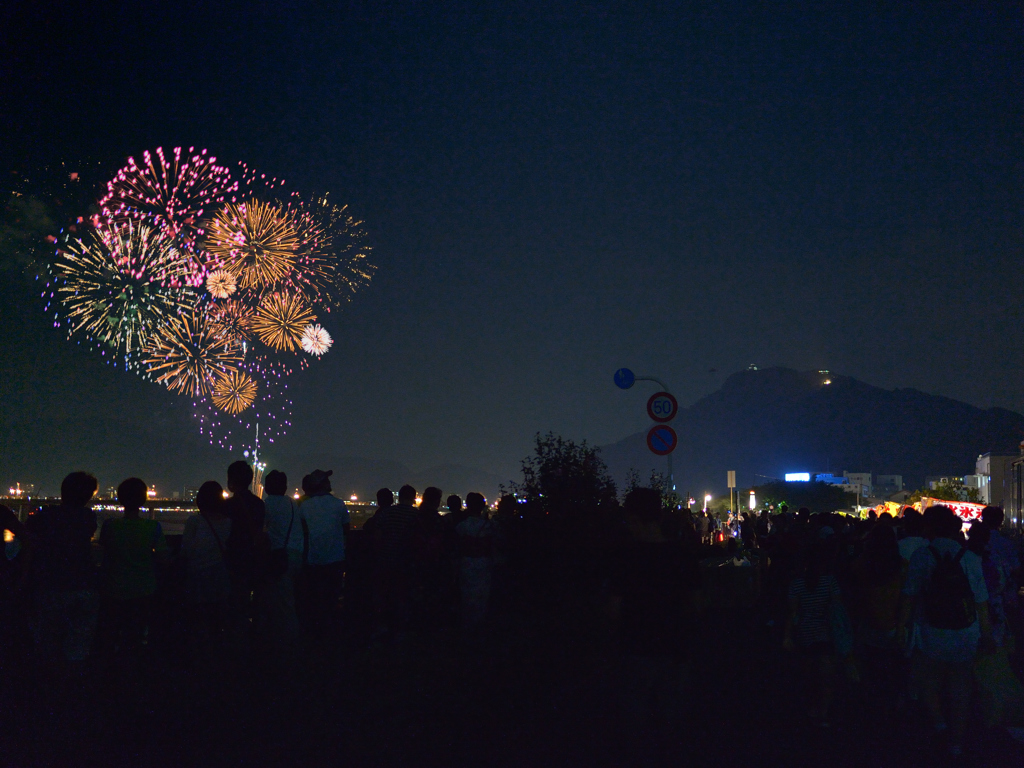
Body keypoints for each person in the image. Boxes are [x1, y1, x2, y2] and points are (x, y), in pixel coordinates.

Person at [898, 505, 993, 756]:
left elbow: (909, 595)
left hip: (930, 630)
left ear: (928, 527)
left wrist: (901, 629)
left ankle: (939, 722)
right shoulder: (970, 557)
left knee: (928, 680)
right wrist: (986, 635)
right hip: (965, 631)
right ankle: (957, 742)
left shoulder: (922, 556)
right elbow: (981, 602)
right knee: (960, 687)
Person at [615, 487, 701, 763]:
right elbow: (697, 603)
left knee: (635, 721)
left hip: (635, 648)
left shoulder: (625, 557)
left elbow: (613, 608)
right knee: (672, 721)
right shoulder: (682, 555)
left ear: (634, 518)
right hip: (675, 647)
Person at [26, 471, 100, 664]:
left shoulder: (45, 516)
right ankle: (74, 680)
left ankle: (46, 680)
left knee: (48, 638)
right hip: (83, 583)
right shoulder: (87, 517)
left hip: (49, 583)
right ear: (87, 496)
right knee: (79, 640)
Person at [99, 477, 169, 655]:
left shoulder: (109, 526)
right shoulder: (153, 527)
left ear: (120, 499)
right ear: (144, 499)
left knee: (112, 633)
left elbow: (103, 553)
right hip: (143, 590)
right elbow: (163, 558)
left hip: (113, 589)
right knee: (136, 635)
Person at [784, 540, 841, 727]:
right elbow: (837, 609)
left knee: (808, 675)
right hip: (826, 631)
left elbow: (793, 613)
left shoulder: (797, 584)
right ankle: (824, 712)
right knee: (826, 677)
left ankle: (811, 709)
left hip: (804, 632)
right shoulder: (829, 581)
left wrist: (788, 635)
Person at [179, 482, 233, 651]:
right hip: (220, 578)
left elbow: (185, 552)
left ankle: (198, 656)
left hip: (197, 577)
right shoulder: (229, 523)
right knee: (216, 620)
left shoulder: (194, 521)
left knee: (197, 620)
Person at [298, 469, 350, 634]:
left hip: (313, 561)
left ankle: (315, 633)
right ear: (323, 484)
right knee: (332, 599)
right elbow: (346, 529)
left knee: (314, 599)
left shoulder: (305, 506)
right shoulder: (338, 504)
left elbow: (303, 533)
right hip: (335, 560)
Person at [368, 485, 421, 635]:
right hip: (406, 562)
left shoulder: (387, 513)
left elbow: (377, 536)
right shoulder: (415, 515)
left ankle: (383, 626)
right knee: (403, 595)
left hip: (386, 560)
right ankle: (401, 628)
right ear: (413, 497)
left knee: (385, 594)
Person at [258, 470, 301, 644]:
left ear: (266, 487)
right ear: (285, 487)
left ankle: (285, 642)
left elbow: (261, 532)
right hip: (296, 555)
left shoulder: (266, 504)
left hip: (278, 558)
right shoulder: (292, 504)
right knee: (289, 601)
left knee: (280, 603)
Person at [456, 493, 495, 630]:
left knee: (466, 597)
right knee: (482, 597)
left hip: (466, 563)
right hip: (483, 564)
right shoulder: (489, 526)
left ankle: (467, 626)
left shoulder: (462, 526)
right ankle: (480, 627)